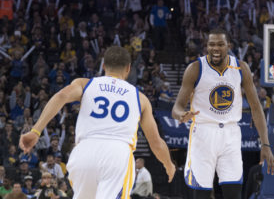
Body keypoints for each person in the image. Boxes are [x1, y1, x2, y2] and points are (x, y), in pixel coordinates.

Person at [19, 46, 175, 199]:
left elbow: (61, 96)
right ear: (128, 68)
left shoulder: (85, 84)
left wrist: (36, 131)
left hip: (83, 152)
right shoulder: (140, 98)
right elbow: (155, 142)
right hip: (116, 154)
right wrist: (169, 164)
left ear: (104, 66)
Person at [171, 28, 274, 199]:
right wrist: (181, 114)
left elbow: (256, 108)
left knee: (234, 193)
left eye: (220, 44)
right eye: (211, 44)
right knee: (202, 194)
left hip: (231, 133)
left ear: (228, 45)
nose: (215, 48)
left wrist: (265, 144)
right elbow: (176, 107)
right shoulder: (195, 68)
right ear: (207, 46)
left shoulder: (241, 68)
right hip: (203, 133)